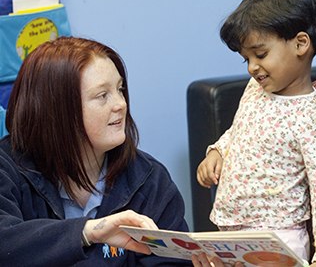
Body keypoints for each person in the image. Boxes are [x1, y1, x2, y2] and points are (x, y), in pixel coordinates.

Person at [0, 37, 192, 266]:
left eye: (120, 89)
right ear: (57, 109)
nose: (121, 104)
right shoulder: (7, 168)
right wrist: (89, 232)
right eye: (102, 95)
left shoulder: (149, 179)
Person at [196, 0, 316, 266]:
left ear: (301, 43)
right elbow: (241, 130)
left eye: (260, 54)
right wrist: (218, 151)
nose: (252, 67)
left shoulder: (314, 116)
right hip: (230, 231)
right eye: (246, 59)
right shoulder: (255, 89)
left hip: (279, 239)